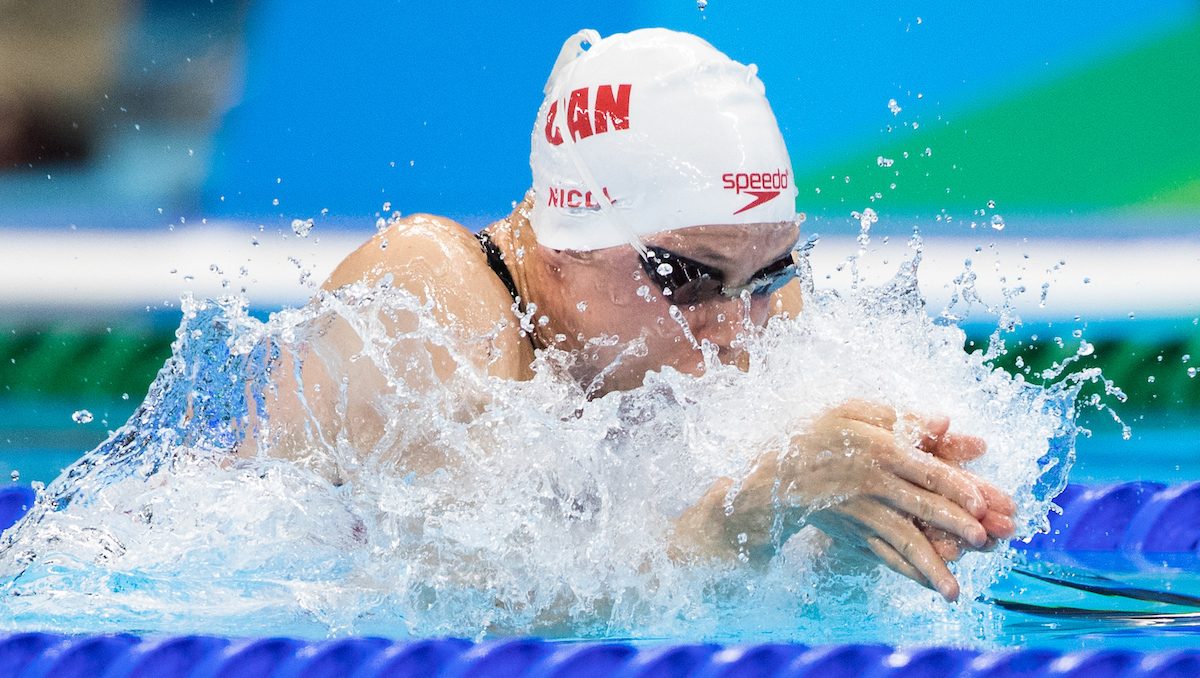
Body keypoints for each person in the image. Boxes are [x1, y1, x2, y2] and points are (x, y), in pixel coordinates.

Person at [247, 28, 1016, 602]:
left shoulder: (746, 301)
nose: (737, 327)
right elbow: (471, 607)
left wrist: (846, 534)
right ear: (561, 241)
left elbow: (738, 600)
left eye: (769, 274)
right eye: (686, 277)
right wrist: (750, 508)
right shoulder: (431, 291)